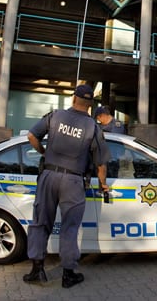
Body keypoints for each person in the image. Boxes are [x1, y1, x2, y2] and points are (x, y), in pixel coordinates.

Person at [23, 84, 112, 288]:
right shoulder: (93, 127)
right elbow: (101, 163)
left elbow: (31, 136)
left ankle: (37, 269)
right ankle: (68, 274)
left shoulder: (55, 116)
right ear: (91, 104)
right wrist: (103, 185)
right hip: (73, 181)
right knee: (70, 228)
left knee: (40, 222)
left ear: (73, 99)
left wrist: (44, 153)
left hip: (48, 175)